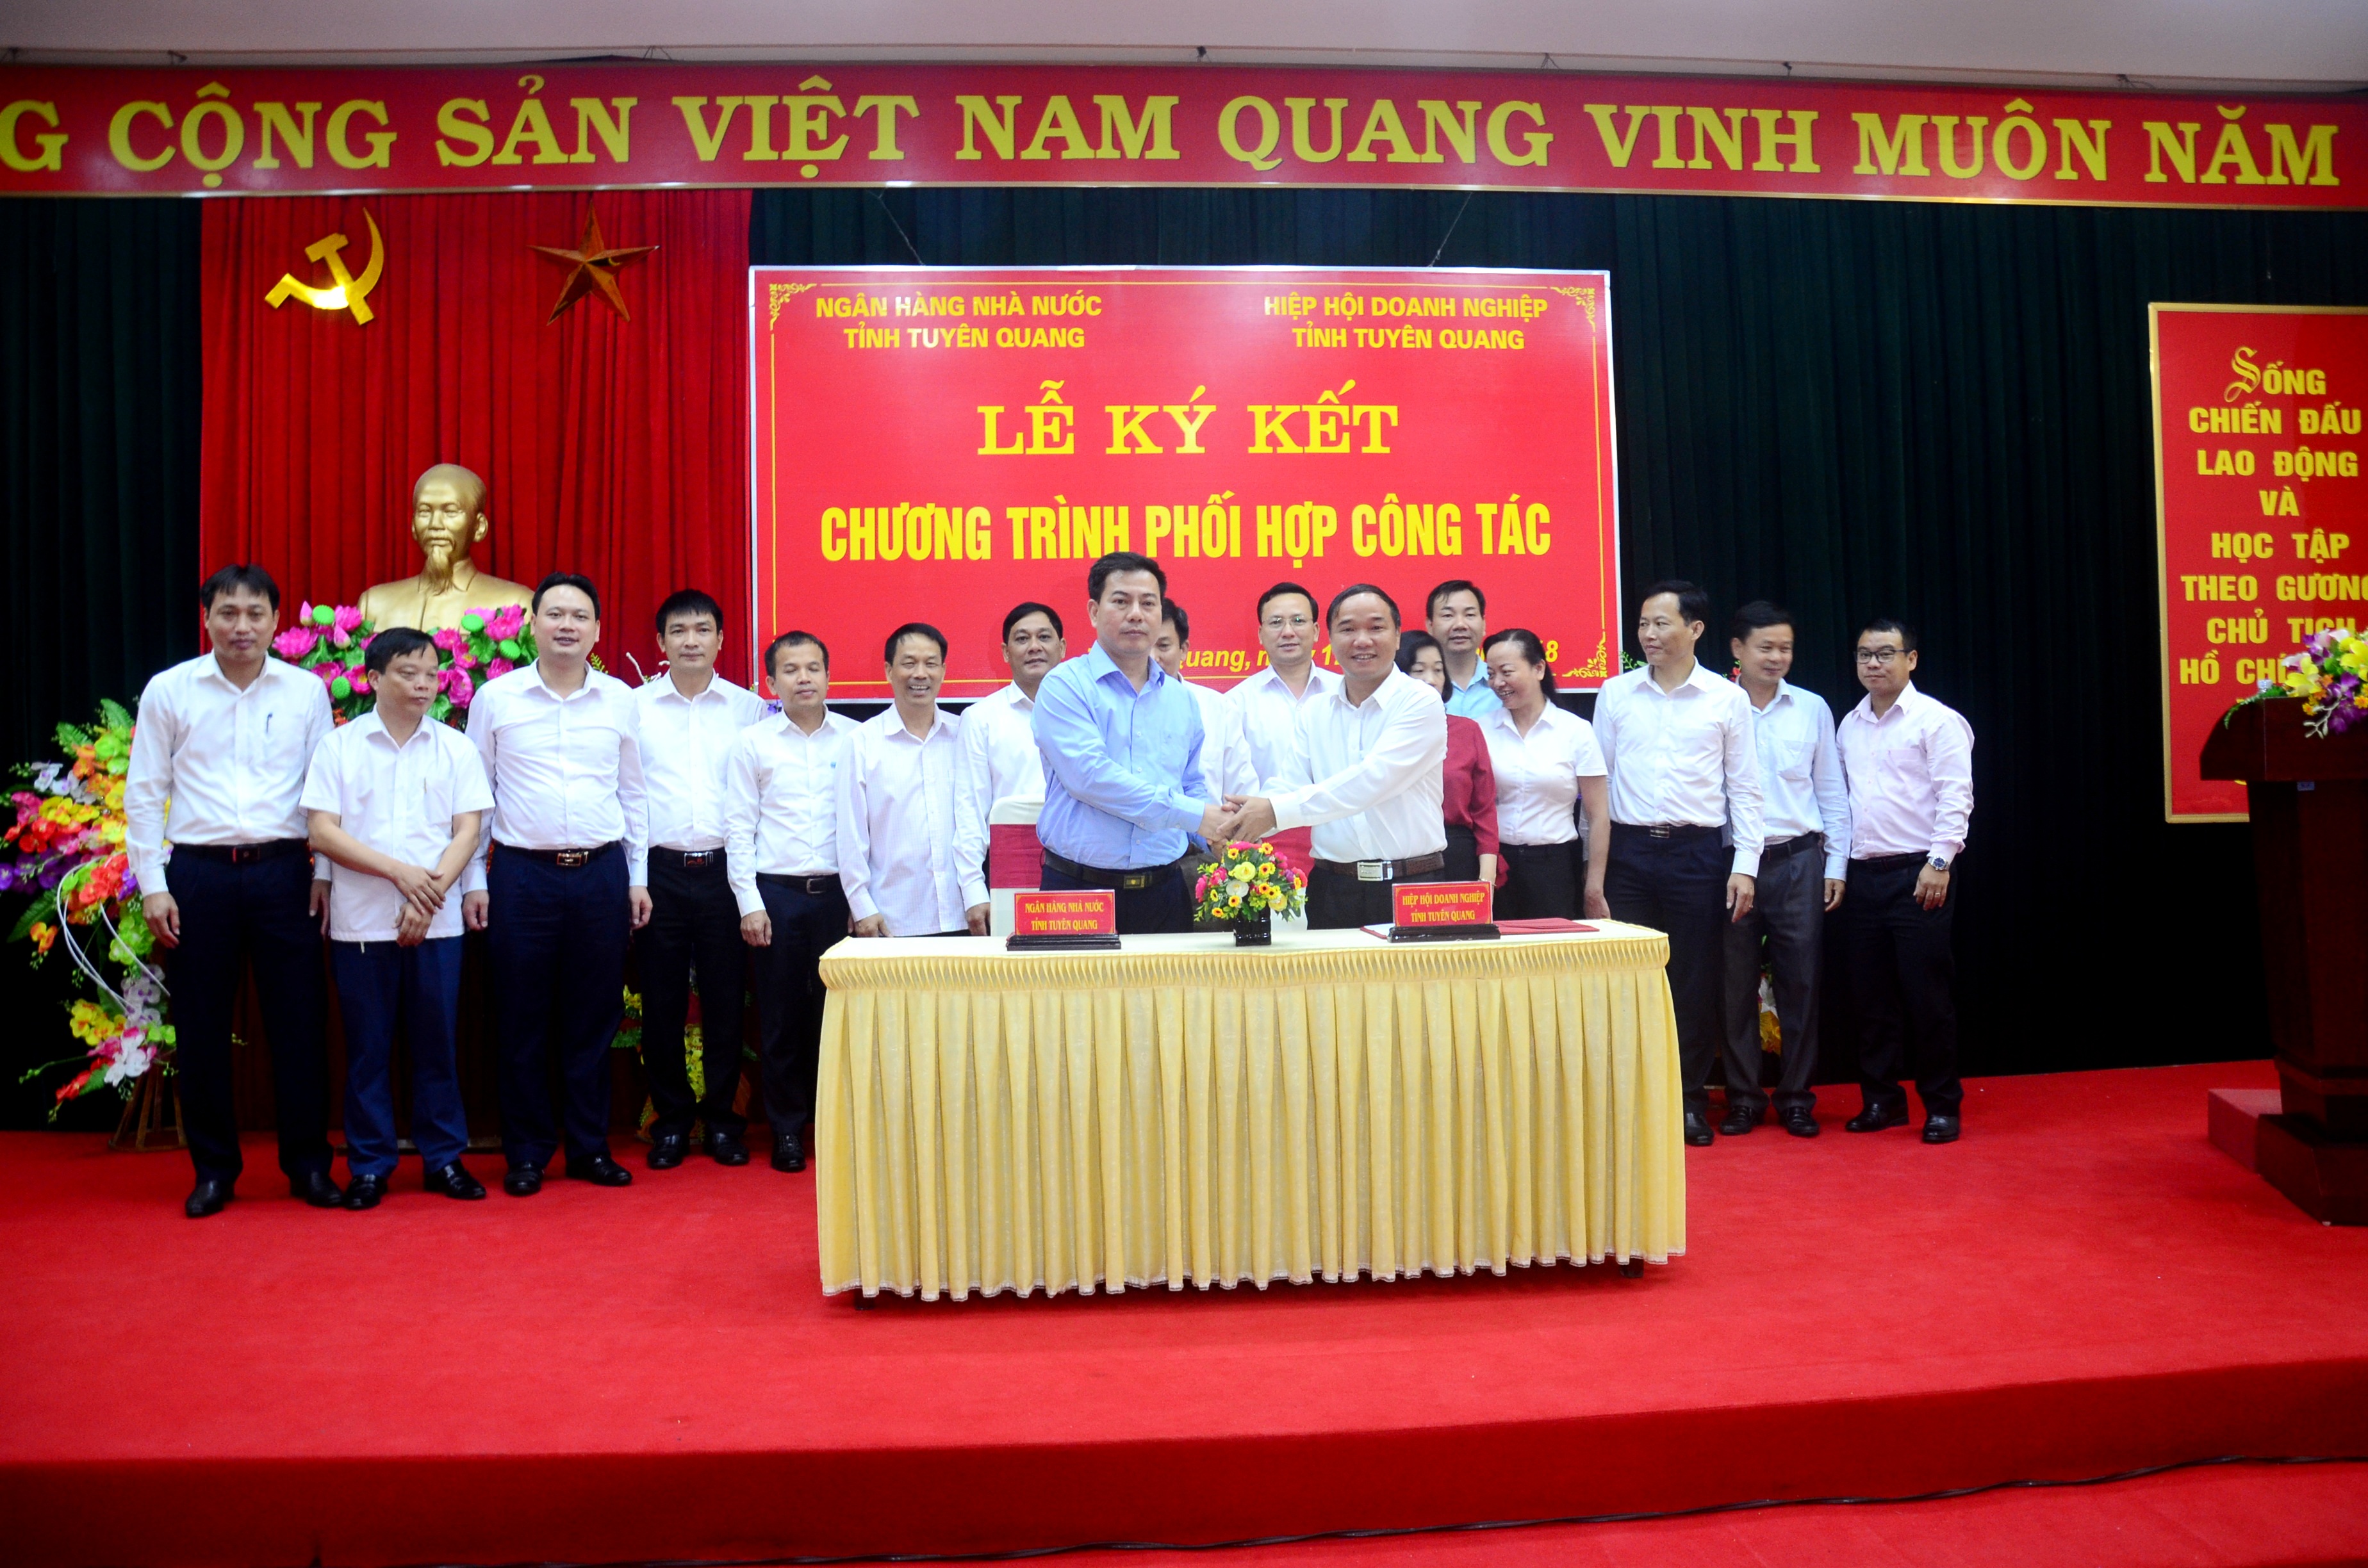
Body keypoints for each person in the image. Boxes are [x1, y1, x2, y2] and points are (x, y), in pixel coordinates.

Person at [127, 564, 340, 1219]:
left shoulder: (305, 691)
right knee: (201, 1028)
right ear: (207, 618)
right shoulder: (170, 691)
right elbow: (145, 792)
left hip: (285, 872)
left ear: (275, 621)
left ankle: (308, 1165)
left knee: (299, 1024)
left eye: (255, 613)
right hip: (199, 876)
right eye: (228, 612)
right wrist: (154, 885)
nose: (241, 626)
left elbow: (326, 792)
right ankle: (215, 1170)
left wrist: (325, 873)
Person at [461, 573, 650, 1196]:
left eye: (580, 616)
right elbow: (476, 796)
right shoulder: (497, 697)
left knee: (593, 1018)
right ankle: (527, 1154)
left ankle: (590, 1148)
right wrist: (474, 878)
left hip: (601, 874)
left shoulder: (620, 699)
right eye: (555, 614)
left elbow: (634, 793)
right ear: (533, 624)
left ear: (596, 630)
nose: (567, 625)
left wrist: (637, 878)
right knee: (521, 1020)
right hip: (523, 877)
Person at [301, 626, 493, 1208]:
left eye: (432, 674)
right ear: (373, 678)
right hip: (362, 922)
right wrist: (400, 875)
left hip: (438, 923)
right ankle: (369, 1166)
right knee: (367, 1049)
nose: (423, 685)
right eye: (408, 673)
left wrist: (426, 895)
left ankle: (444, 1159)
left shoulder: (455, 747)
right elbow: (323, 831)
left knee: (438, 1045)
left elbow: (469, 831)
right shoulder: (340, 747)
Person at [1593, 581, 1766, 1147]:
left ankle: (1689, 1101)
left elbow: (1745, 789)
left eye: (1661, 623)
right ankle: (1632, 1104)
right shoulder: (1616, 693)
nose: (1649, 634)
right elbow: (1597, 787)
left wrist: (1746, 864)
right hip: (1628, 853)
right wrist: (1594, 866)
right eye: (1643, 624)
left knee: (1692, 980)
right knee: (1629, 978)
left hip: (1697, 854)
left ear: (1695, 629)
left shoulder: (1726, 699)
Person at [633, 589, 767, 1171]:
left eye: (703, 630)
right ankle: (671, 1123)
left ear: (720, 639)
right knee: (661, 1003)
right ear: (660, 643)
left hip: (725, 874)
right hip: (659, 872)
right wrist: (635, 878)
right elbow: (628, 797)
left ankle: (722, 1123)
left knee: (724, 1003)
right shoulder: (635, 708)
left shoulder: (749, 709)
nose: (691, 641)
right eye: (679, 631)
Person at [1224, 585, 1447, 931]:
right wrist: (1238, 822)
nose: (1362, 640)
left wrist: (1273, 811)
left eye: (1376, 627)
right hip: (1333, 889)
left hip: (1412, 887)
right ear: (1329, 637)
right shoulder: (1315, 711)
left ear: (1397, 635)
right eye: (1348, 629)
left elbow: (1371, 781)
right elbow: (1288, 784)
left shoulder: (1420, 701)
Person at [1836, 617, 1975, 1145]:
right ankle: (1882, 1101)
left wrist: (1939, 862)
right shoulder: (1849, 724)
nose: (1873, 664)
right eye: (1864, 655)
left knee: (1927, 996)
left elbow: (1956, 796)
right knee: (1869, 999)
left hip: (1920, 874)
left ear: (1911, 660)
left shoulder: (1936, 721)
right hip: (1862, 875)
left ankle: (1941, 1106)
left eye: (1885, 654)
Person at [1032, 553, 1221, 935]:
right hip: (1078, 892)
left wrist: (1220, 833)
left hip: (1166, 891)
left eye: (1148, 603)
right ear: (1093, 611)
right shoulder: (1064, 686)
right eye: (1121, 601)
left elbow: (1189, 783)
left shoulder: (1182, 699)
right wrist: (1197, 816)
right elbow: (1091, 778)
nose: (1136, 614)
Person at [728, 631, 860, 1174]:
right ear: (771, 682)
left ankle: (835, 1127)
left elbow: (869, 825)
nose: (803, 679)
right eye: (791, 670)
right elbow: (739, 828)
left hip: (839, 896)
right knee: (780, 1018)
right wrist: (749, 903)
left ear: (829, 676)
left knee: (838, 1017)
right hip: (777, 895)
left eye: (813, 668)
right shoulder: (753, 743)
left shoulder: (856, 739)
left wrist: (862, 900)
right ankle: (786, 1129)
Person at [1720, 602, 1852, 1139]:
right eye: (1766, 647)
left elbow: (1832, 791)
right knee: (1734, 987)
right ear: (1738, 649)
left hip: (1799, 861)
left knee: (1802, 983)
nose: (1776, 658)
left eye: (1786, 648)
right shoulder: (1717, 705)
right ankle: (1744, 1098)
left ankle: (1797, 1098)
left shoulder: (1812, 708)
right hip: (1732, 865)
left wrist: (1836, 864)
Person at [839, 623, 989, 937]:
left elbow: (977, 819)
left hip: (965, 915)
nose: (920, 674)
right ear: (888, 670)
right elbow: (851, 837)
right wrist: (861, 906)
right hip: (892, 920)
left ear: (943, 671)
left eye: (931, 664)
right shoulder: (862, 742)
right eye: (909, 663)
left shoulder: (965, 734)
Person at [1478, 628, 1610, 920]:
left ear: (1538, 669)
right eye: (1491, 674)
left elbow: (1598, 816)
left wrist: (1594, 886)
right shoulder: (1481, 729)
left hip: (1555, 867)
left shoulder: (1575, 731)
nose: (1498, 683)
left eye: (1507, 672)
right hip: (1496, 865)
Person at [1394, 632, 1499, 888]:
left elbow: (1485, 811)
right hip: (1399, 854)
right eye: (1419, 670)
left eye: (1438, 670)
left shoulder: (1467, 731)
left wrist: (1486, 880)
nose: (1431, 680)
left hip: (1457, 854)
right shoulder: (1383, 732)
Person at [960, 602, 1066, 835]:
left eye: (1044, 637)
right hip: (1010, 849)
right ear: (1006, 653)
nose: (1034, 647)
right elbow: (970, 811)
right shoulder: (980, 718)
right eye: (1022, 639)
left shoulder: (1088, 711)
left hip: (1079, 849)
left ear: (1062, 648)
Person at [1233, 582, 1342, 787]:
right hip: (1266, 808)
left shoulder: (1344, 692)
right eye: (1276, 623)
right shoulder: (1237, 704)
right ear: (1261, 635)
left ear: (1316, 631)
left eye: (1298, 621)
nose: (1288, 632)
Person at [1153, 598, 1256, 806]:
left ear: (1183, 650)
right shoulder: (1112, 707)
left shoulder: (1218, 708)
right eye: (1144, 646)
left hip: (1209, 825)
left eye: (1163, 646)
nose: (1152, 657)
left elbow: (1242, 791)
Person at [1425, 580, 1503, 719]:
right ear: (1430, 625)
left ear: (1484, 624)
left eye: (1470, 615)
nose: (1460, 625)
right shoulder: (1418, 686)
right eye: (1448, 616)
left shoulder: (1504, 685)